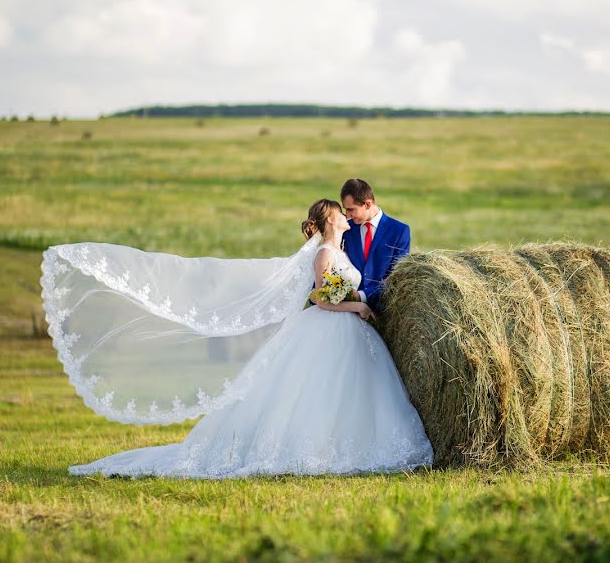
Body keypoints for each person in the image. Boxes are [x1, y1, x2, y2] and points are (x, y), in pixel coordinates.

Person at [41, 198, 433, 479]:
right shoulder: (324, 256)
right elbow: (321, 300)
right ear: (330, 220)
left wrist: (356, 304)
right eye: (341, 214)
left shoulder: (338, 249)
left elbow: (333, 293)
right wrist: (358, 308)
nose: (348, 218)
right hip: (332, 328)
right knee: (318, 393)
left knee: (346, 394)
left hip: (346, 333)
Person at [340, 179, 411, 315]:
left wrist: (361, 295)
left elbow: (396, 278)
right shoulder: (346, 230)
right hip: (348, 313)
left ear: (367, 204)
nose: (347, 215)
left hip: (384, 313)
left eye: (351, 210)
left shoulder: (399, 231)